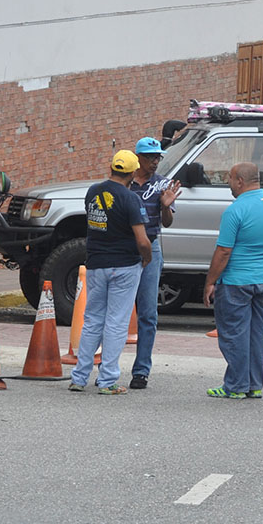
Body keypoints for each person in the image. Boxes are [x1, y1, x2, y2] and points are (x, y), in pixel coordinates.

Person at [68, 151, 152, 395]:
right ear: (133, 172)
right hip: (124, 265)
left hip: (96, 263)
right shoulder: (130, 199)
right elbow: (143, 241)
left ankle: (79, 377)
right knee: (116, 323)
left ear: (112, 168)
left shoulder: (93, 192)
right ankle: (107, 380)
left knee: (92, 320)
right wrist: (146, 259)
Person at [204, 162, 263, 399]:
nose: (228, 183)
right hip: (262, 281)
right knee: (256, 333)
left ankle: (236, 386)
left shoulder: (235, 210)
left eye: (229, 178)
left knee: (234, 334)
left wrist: (210, 282)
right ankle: (254, 384)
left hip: (236, 282)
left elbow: (224, 251)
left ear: (240, 181)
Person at [127, 136, 182, 390]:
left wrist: (166, 207)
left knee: (148, 313)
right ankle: (106, 366)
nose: (155, 162)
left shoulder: (163, 184)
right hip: (125, 249)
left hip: (151, 246)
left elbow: (167, 223)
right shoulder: (125, 183)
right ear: (138, 158)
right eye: (150, 157)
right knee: (117, 312)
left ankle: (141, 371)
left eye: (158, 157)